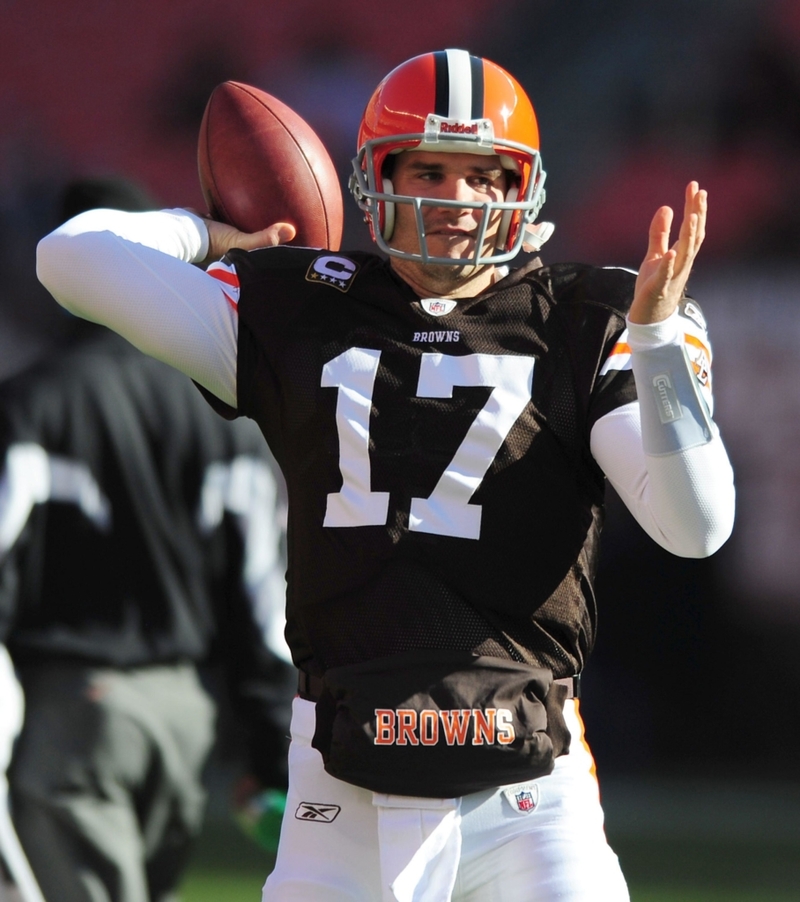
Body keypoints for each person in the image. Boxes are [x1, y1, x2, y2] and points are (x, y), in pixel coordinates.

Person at [35, 50, 735, 902]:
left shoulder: (596, 316)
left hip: (525, 791)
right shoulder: (305, 302)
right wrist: (211, 235)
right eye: (428, 169)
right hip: (340, 784)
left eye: (482, 175)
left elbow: (693, 527)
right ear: (374, 177)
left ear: (524, 187)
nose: (453, 199)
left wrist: (658, 345)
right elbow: (69, 260)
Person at [1, 177, 295, 902]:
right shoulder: (227, 419)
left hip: (70, 712)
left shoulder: (33, 404)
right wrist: (272, 749)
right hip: (185, 724)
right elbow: (263, 603)